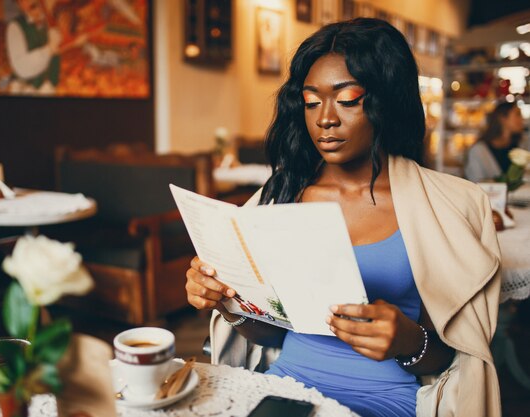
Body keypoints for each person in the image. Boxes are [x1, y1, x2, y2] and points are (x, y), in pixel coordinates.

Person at [185, 18, 501, 417]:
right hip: (284, 390)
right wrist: (227, 302)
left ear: (385, 99)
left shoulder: (443, 206)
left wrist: (407, 340)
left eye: (347, 99)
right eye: (312, 101)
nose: (325, 119)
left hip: (384, 400)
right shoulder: (278, 196)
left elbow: (454, 362)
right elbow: (269, 334)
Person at [464, 101, 525, 182]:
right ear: (503, 118)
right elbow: (475, 182)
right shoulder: (479, 150)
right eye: (517, 114)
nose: (521, 119)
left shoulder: (520, 146)